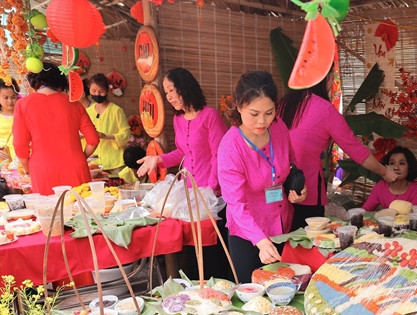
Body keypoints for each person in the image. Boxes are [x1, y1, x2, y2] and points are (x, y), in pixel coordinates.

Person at [136, 67, 231, 280]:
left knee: (211, 251)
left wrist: (211, 189)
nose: (168, 97)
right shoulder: (178, 120)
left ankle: (218, 289)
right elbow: (182, 152)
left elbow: (220, 155)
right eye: (166, 92)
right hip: (188, 194)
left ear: (185, 87)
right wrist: (158, 159)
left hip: (211, 196)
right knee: (191, 248)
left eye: (171, 90)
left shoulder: (210, 116)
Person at [277, 71, 398, 230]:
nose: (332, 82)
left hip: (277, 189)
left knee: (282, 243)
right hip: (307, 188)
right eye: (332, 78)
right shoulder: (325, 109)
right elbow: (356, 151)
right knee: (306, 242)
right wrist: (385, 172)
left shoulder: (283, 104)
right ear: (324, 79)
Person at [218, 71, 308, 283]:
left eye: (269, 112)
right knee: (255, 296)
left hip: (282, 225)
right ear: (239, 107)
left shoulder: (278, 128)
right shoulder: (231, 147)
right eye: (254, 113)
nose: (262, 121)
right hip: (249, 236)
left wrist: (297, 188)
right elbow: (236, 204)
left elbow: (291, 162)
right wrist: (261, 241)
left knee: (285, 290)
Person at [12, 62, 99, 194]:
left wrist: (28, 168)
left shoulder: (22, 105)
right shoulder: (74, 104)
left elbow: (19, 144)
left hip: (41, 168)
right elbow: (93, 140)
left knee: (49, 211)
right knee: (80, 210)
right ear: (59, 82)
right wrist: (82, 157)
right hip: (75, 165)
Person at [86, 73, 130, 174]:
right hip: (94, 162)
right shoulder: (88, 111)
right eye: (94, 91)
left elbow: (126, 134)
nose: (97, 94)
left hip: (114, 162)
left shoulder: (116, 111)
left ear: (107, 91)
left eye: (101, 91)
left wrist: (107, 136)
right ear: (89, 89)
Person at [362, 146, 417, 211]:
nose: (396, 168)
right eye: (392, 163)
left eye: (402, 163)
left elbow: (415, 216)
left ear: (410, 167)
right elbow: (365, 209)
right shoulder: (381, 186)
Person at [0, 78, 19, 163]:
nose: (10, 101)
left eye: (13, 97)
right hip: (2, 160)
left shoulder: (23, 114)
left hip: (20, 160)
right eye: (5, 98)